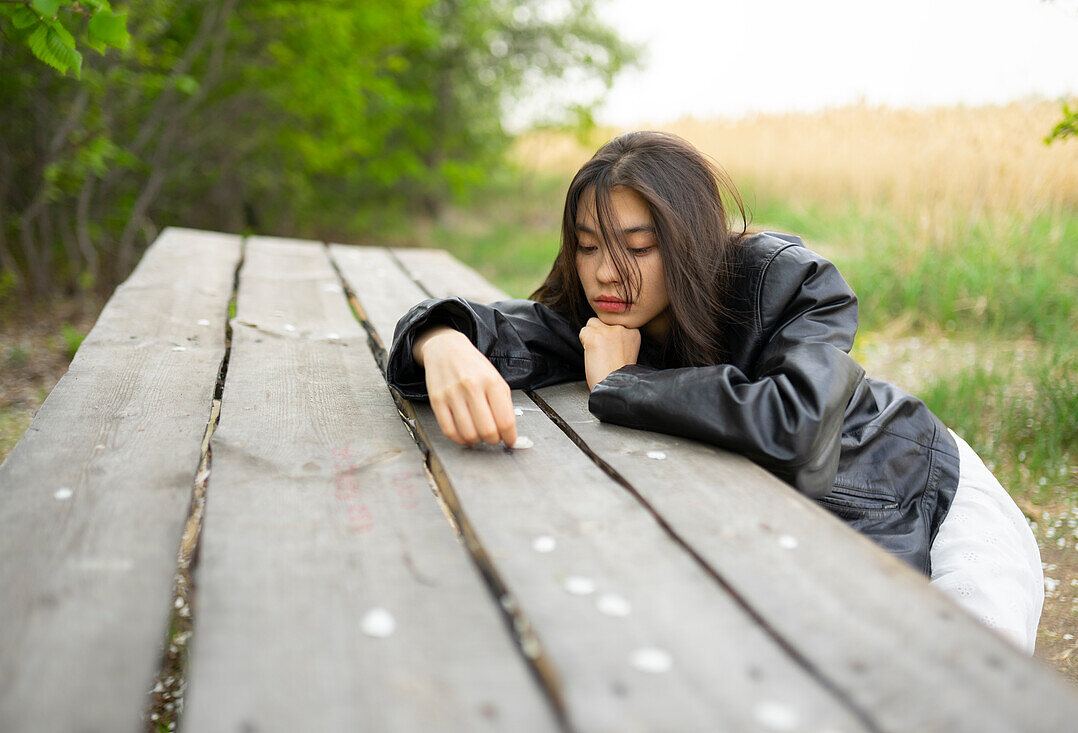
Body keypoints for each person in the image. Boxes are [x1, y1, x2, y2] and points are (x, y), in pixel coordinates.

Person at [386, 131, 1044, 654]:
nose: (606, 271)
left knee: (969, 689)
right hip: (792, 531)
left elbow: (798, 423)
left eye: (638, 248)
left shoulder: (785, 280)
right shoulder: (603, 314)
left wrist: (625, 383)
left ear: (688, 240)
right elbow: (495, 326)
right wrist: (440, 340)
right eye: (587, 246)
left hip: (922, 488)